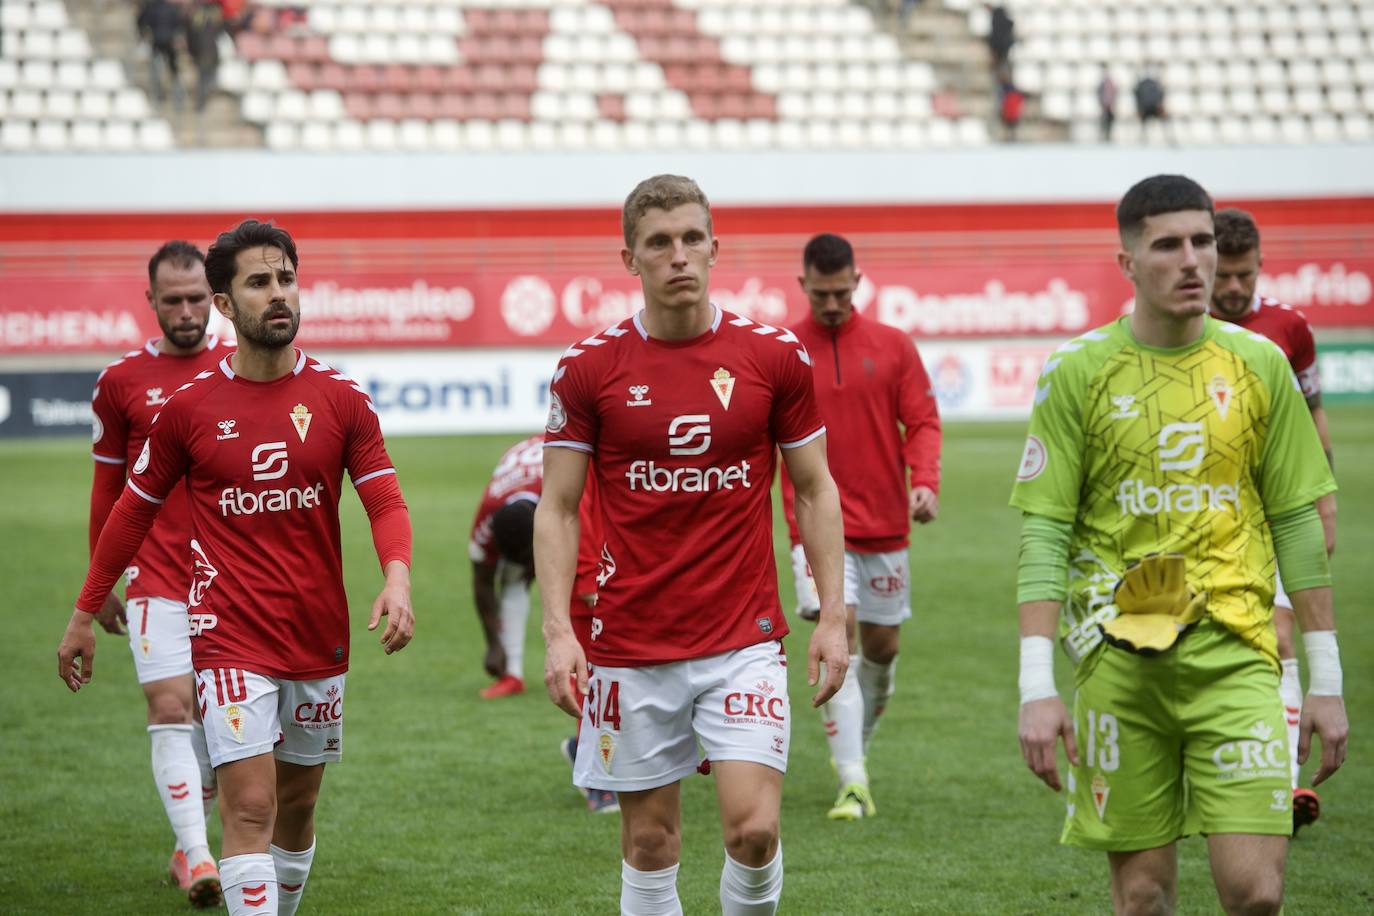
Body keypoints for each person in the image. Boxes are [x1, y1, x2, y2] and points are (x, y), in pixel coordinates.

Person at [58, 219, 415, 916]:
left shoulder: (342, 399)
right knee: (249, 806)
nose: (277, 294)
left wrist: (397, 575)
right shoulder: (187, 410)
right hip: (228, 634)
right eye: (258, 282)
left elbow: (385, 498)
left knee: (297, 806)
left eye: (285, 278)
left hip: (319, 634)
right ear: (227, 302)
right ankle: (198, 851)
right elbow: (130, 512)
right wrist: (83, 610)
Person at [1012, 174, 1347, 914]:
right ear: (1128, 262)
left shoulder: (1260, 366)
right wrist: (1037, 685)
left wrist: (1326, 677)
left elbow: (1296, 520)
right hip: (1118, 667)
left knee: (1256, 894)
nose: (1192, 260)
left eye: (1202, 240)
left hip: (1238, 658)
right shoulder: (1077, 372)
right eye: (1168, 245)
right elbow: (1044, 529)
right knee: (1142, 896)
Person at [536, 174, 849, 915]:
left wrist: (834, 613)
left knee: (755, 831)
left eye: (691, 239)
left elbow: (814, 489)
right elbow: (556, 506)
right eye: (658, 243)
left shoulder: (772, 358)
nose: (678, 256)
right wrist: (557, 633)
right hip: (627, 646)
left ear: (715, 248)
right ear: (629, 258)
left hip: (742, 638)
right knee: (650, 845)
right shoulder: (588, 369)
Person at [781, 234, 941, 821]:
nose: (831, 304)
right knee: (838, 631)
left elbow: (922, 420)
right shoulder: (783, 350)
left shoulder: (893, 346)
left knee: (883, 648)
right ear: (803, 285)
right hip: (816, 530)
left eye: (841, 292)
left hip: (886, 526)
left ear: (857, 282)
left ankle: (854, 753)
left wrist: (924, 479)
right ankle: (852, 781)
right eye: (820, 293)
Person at [89, 241, 227, 908]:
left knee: (222, 721)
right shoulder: (119, 383)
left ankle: (186, 841)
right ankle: (199, 857)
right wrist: (100, 583)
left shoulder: (242, 365)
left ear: (216, 298)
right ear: (149, 301)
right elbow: (106, 491)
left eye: (196, 298)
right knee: (171, 708)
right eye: (171, 299)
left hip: (238, 582)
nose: (184, 310)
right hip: (158, 577)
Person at [1208, 207, 1338, 834]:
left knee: (1282, 638)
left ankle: (1285, 784)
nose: (1233, 289)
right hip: (1203, 517)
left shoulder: (1290, 327)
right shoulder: (1181, 327)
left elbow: (1314, 414)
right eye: (1223, 276)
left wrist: (1324, 502)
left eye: (1244, 275)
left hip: (1278, 509)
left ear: (1259, 266)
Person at [467, 433, 619, 811]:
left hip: (567, 516)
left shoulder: (560, 481)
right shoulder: (489, 515)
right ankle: (597, 773)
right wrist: (494, 646)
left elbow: (578, 515)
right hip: (569, 549)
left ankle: (588, 751)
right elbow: (481, 578)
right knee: (593, 672)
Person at [1097, 65, 1117, 143]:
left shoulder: (1111, 83)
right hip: (1104, 105)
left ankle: (1108, 135)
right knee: (1104, 119)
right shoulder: (1102, 84)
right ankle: (1103, 135)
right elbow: (1099, 93)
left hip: (1110, 105)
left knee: (1110, 120)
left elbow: (1114, 93)